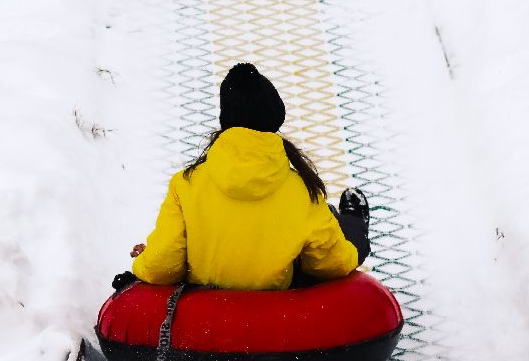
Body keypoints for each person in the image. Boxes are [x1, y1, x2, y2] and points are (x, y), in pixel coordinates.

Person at [128, 63, 370, 291]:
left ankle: (340, 220)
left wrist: (145, 259)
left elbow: (162, 267)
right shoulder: (303, 191)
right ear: (275, 117)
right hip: (277, 314)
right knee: (343, 237)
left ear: (226, 121)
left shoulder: (186, 184)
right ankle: (354, 223)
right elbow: (331, 265)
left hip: (207, 316)